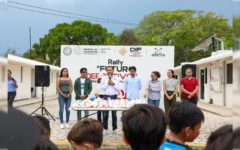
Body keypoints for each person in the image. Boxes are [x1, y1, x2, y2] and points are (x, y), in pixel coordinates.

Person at [99, 66, 122, 135]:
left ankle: (115, 128)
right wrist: (107, 84)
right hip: (106, 97)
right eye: (108, 70)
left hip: (114, 97)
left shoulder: (117, 78)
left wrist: (113, 83)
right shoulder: (103, 78)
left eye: (110, 70)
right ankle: (105, 128)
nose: (109, 71)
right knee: (105, 114)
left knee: (114, 114)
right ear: (106, 71)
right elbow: (100, 88)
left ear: (113, 70)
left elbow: (120, 88)